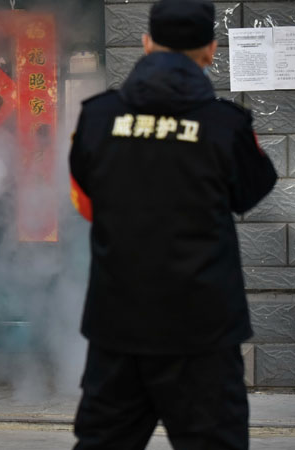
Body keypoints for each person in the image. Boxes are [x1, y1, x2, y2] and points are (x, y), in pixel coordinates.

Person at [68, 1, 277, 449]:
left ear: (146, 44)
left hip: (118, 330)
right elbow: (252, 191)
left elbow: (86, 204)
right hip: (204, 334)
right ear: (211, 50)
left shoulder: (97, 118)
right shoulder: (226, 125)